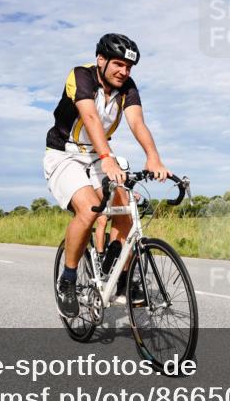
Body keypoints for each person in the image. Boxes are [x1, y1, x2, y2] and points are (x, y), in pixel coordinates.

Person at [43, 33, 170, 318]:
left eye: (129, 67)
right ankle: (68, 280)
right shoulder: (81, 76)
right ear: (101, 60)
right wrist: (107, 158)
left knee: (125, 208)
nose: (124, 72)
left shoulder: (127, 88)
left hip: (98, 154)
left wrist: (153, 157)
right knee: (89, 210)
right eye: (118, 64)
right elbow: (89, 117)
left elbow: (137, 122)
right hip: (64, 153)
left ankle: (116, 270)